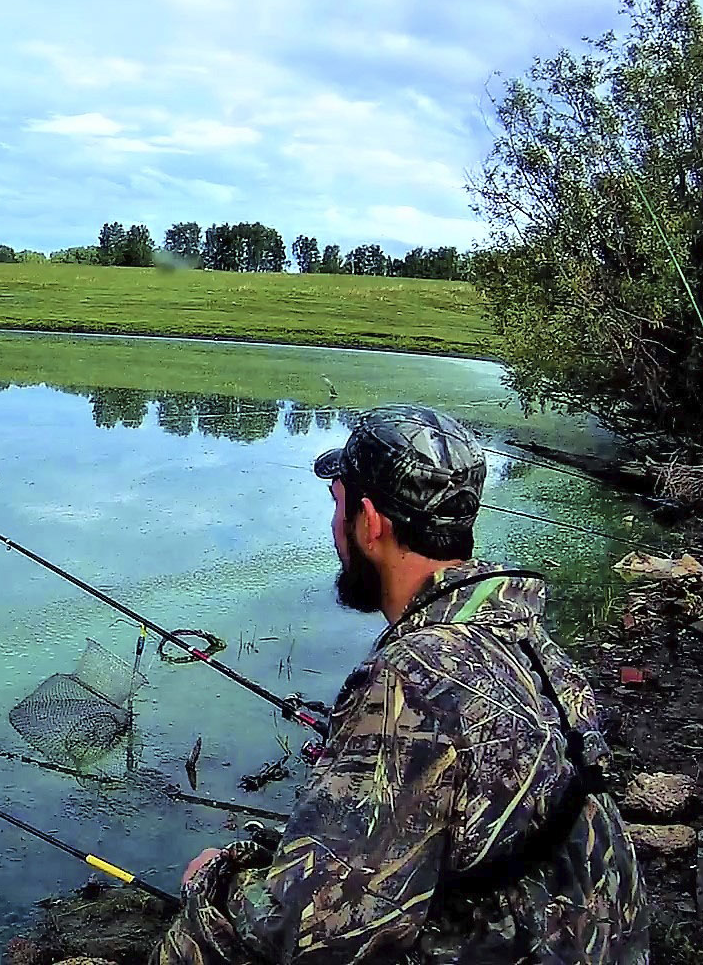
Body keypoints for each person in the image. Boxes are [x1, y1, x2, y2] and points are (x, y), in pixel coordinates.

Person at [155, 405, 648, 964]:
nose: (335, 530)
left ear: (369, 522)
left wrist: (214, 879)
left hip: (522, 944)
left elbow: (321, 931)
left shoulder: (414, 679)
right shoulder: (523, 633)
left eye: (337, 506)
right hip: (584, 939)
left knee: (193, 946)